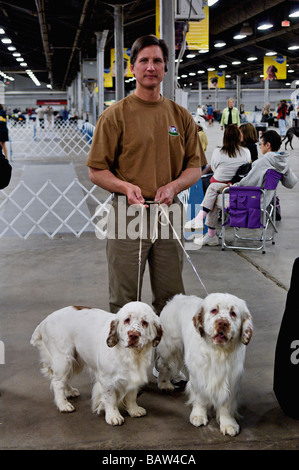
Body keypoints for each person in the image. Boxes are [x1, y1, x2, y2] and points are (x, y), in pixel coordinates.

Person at [86, 34, 206, 314]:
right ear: (132, 68)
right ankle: (125, 358)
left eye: (157, 61)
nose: (150, 67)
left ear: (165, 69)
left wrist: (174, 187)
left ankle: (168, 359)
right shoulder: (114, 116)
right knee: (125, 300)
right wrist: (125, 187)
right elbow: (96, 170)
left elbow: (194, 169)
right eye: (144, 61)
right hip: (128, 213)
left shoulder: (181, 116)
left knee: (172, 298)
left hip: (168, 212)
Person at [184, 125, 251, 245]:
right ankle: (210, 235)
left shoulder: (218, 152)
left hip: (224, 189)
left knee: (211, 188)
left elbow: (214, 169)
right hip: (238, 189)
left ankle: (202, 223)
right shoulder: (246, 153)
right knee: (213, 195)